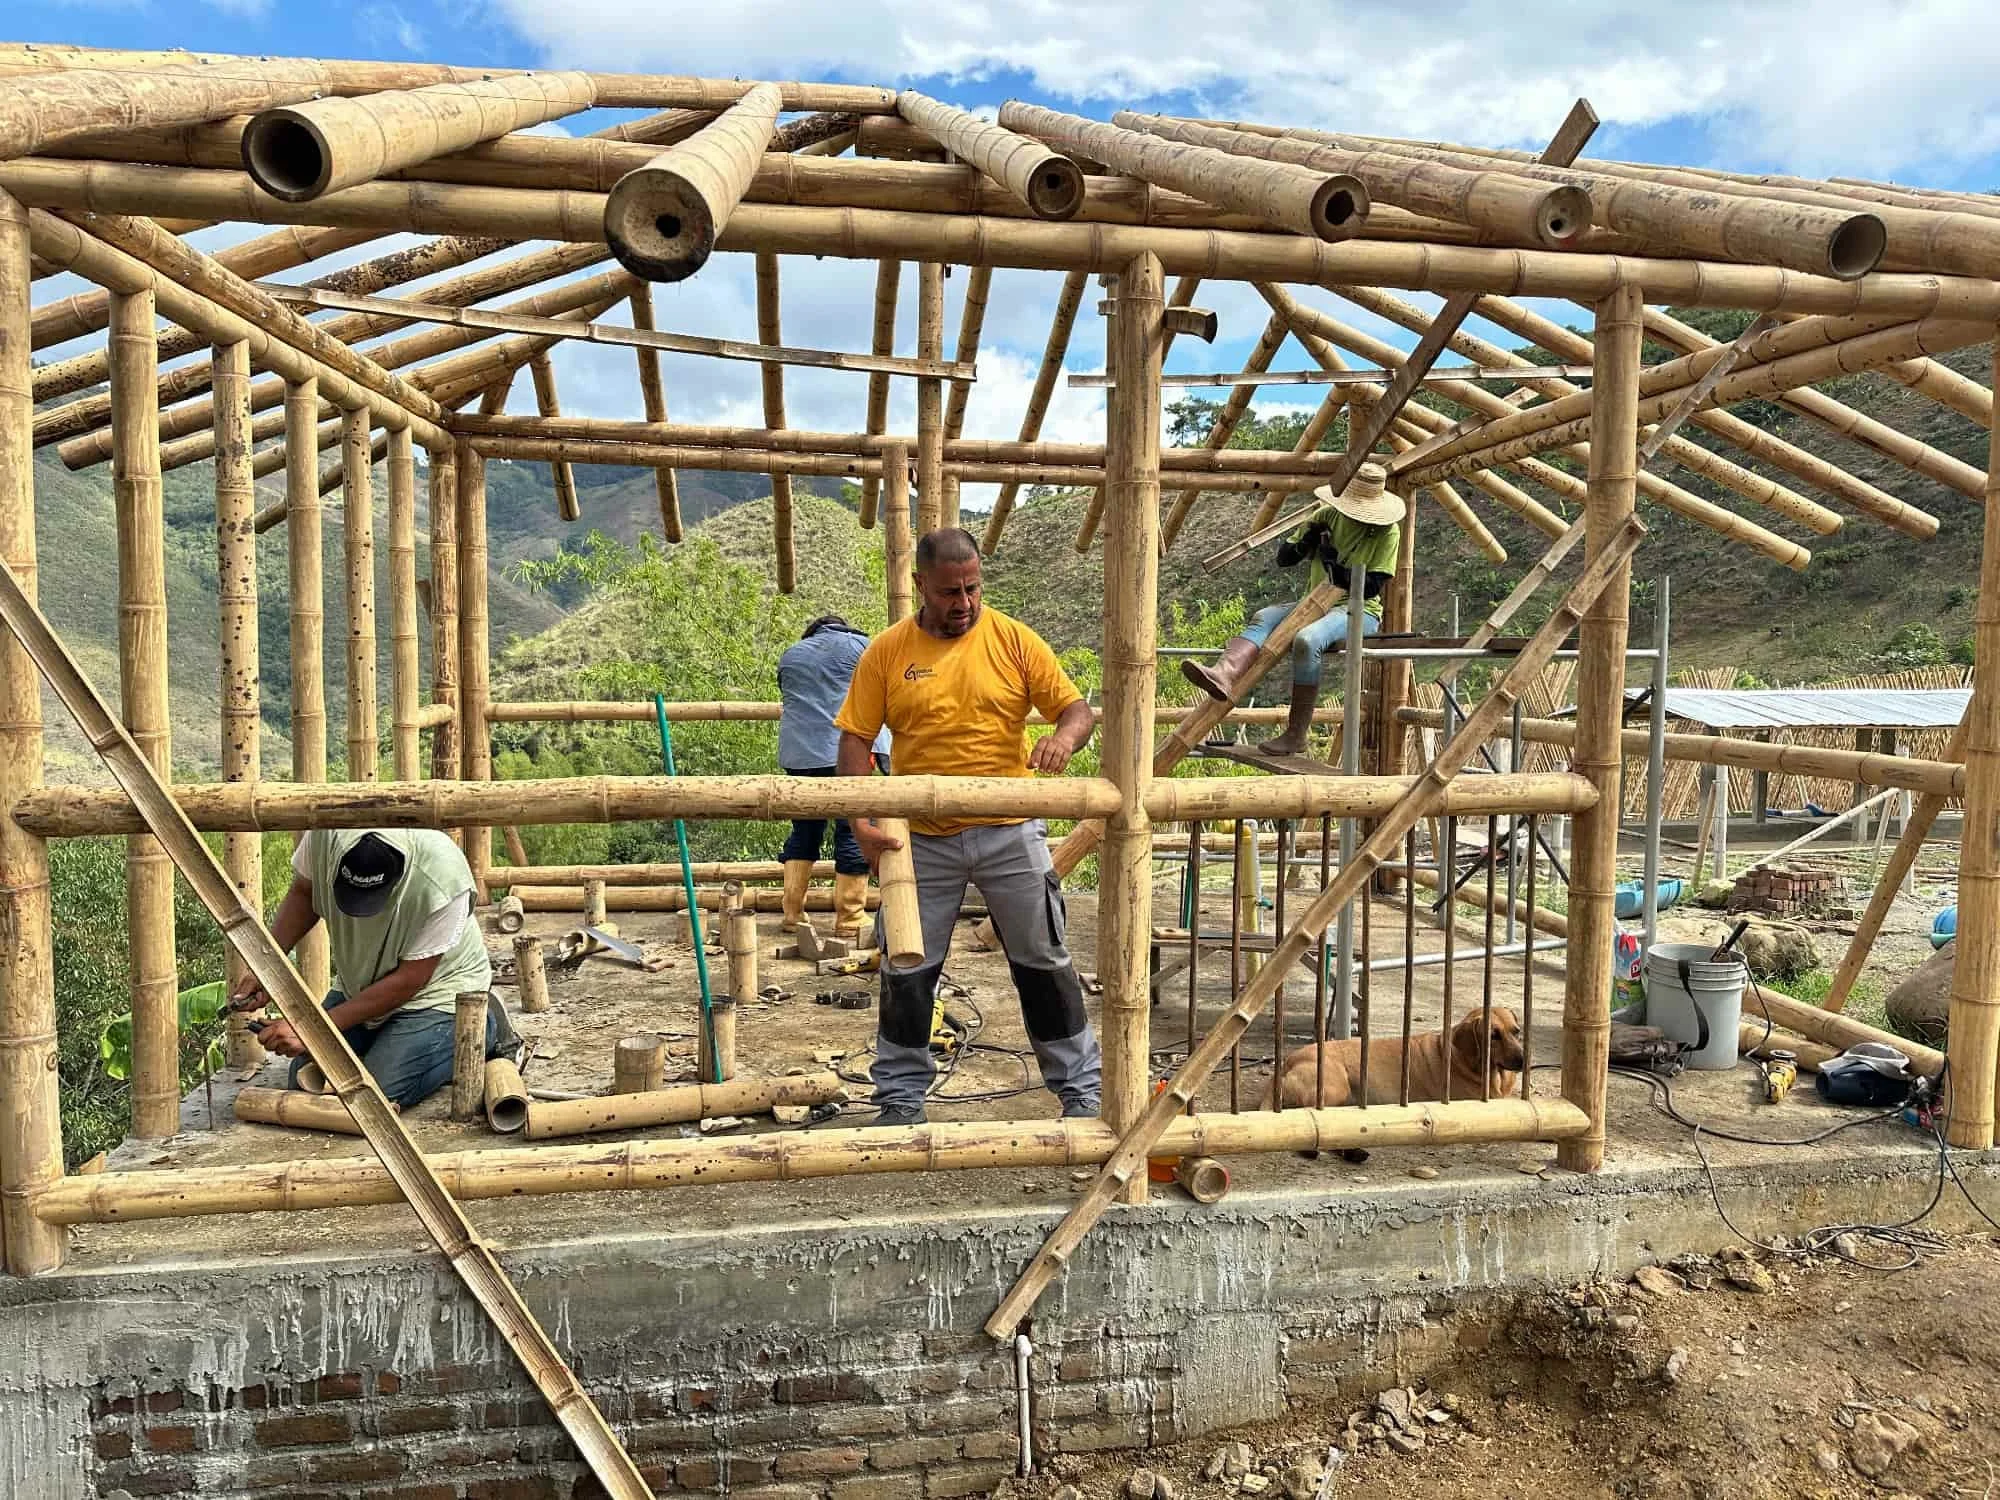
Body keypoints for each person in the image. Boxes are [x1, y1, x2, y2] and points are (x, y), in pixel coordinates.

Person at [833, 527, 1102, 1127]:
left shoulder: (1013, 640)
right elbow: (854, 737)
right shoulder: (887, 652)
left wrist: (1062, 737)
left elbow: (1075, 709)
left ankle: (1081, 1090)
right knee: (907, 966)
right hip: (918, 838)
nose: (964, 603)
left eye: (973, 588)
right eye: (950, 591)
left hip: (1010, 830)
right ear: (920, 585)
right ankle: (900, 1098)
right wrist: (862, 819)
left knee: (1043, 960)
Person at [229, 828, 516, 1109]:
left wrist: (311, 1030)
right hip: (362, 985)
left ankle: (484, 1029)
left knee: (374, 1093)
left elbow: (410, 979)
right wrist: (266, 968)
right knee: (305, 1077)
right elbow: (305, 893)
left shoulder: (443, 876)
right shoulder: (325, 835)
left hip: (436, 993)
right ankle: (394, 1040)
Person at [1182, 462, 1405, 756]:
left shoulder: (1386, 532)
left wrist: (1333, 564)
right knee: (1263, 616)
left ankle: (1296, 733)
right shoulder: (1326, 515)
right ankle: (1223, 673)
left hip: (1358, 610)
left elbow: (1372, 586)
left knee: (1307, 640)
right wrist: (1306, 543)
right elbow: (1284, 558)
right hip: (1312, 604)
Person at [776, 615, 890, 938]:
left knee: (804, 829)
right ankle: (850, 916)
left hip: (798, 756)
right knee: (854, 827)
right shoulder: (860, 646)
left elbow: (789, 698)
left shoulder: (792, 653)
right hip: (844, 753)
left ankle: (793, 913)